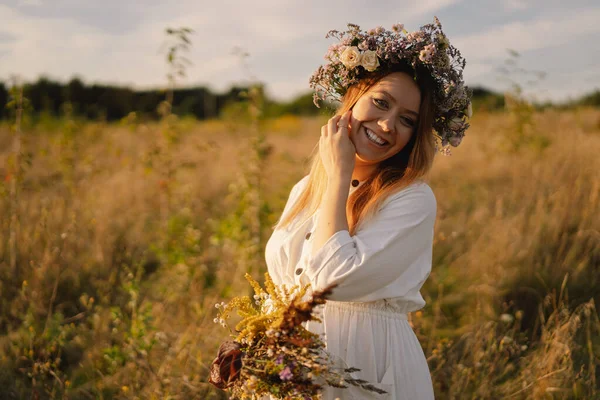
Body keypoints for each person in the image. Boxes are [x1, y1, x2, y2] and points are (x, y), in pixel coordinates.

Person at [265, 18, 471, 399]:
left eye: (407, 120)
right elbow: (283, 285)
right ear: (354, 95)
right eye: (380, 102)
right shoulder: (304, 190)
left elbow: (331, 279)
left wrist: (340, 172)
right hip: (295, 368)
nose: (388, 124)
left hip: (369, 369)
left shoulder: (410, 198)